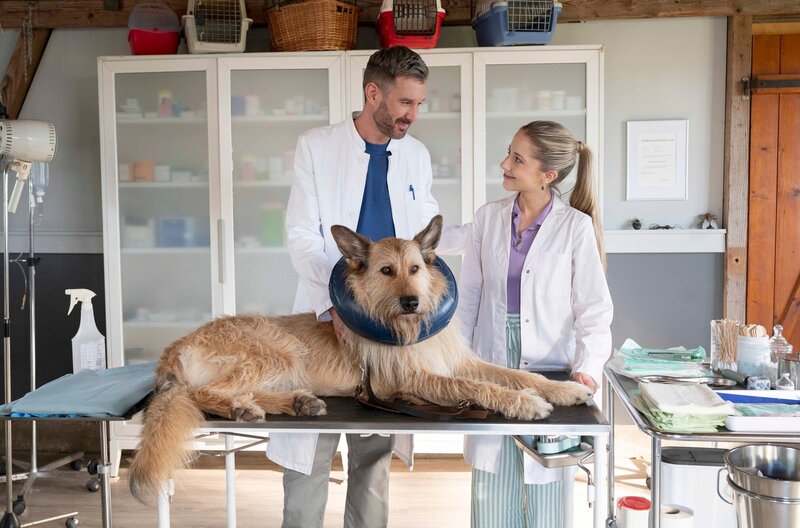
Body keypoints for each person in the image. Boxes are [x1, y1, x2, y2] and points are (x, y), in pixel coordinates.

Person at [270, 46, 466, 528]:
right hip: (325, 321)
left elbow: (424, 241)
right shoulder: (317, 146)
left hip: (391, 326)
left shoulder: (415, 155)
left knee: (374, 456)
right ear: (372, 92)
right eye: (404, 103)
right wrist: (332, 305)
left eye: (418, 104)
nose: (412, 115)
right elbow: (302, 236)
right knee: (309, 451)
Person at [456, 121, 613, 528]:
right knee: (493, 485)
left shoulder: (574, 226)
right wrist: (456, 357)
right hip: (490, 362)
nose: (504, 163)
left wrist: (587, 369)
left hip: (549, 368)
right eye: (509, 153)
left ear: (548, 176)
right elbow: (468, 296)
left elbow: (593, 309)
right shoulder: (487, 219)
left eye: (517, 159)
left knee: (546, 492)